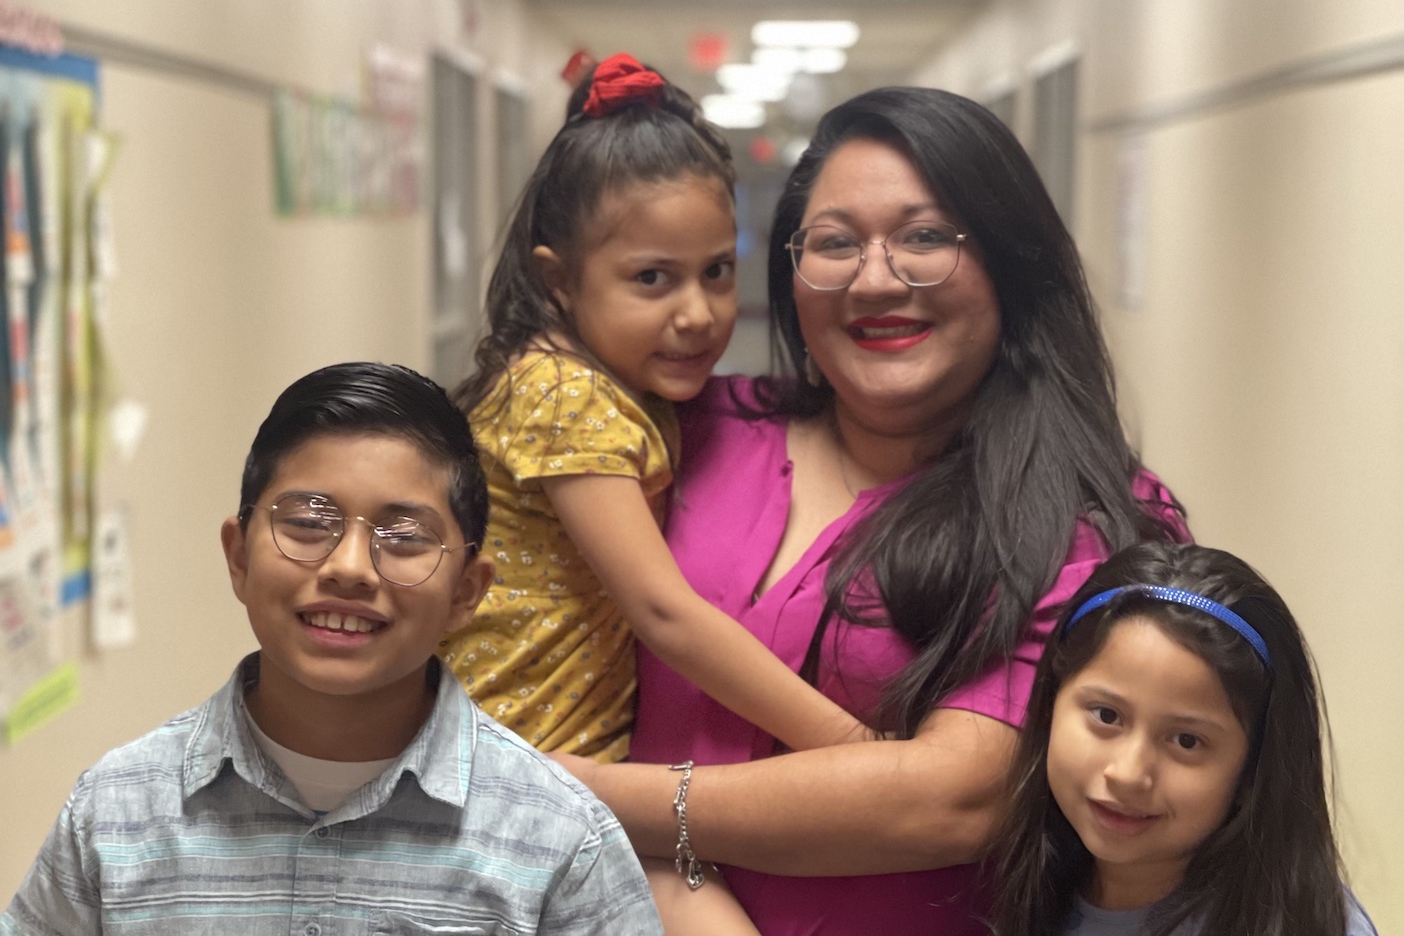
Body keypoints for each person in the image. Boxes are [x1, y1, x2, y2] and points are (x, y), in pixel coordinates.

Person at [551, 86, 1191, 935]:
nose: (876, 280)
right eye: (835, 243)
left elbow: (956, 799)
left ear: (1010, 260)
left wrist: (559, 795)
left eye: (925, 238)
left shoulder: (1093, 519)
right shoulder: (689, 431)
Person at [1, 362, 663, 935]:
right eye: (310, 524)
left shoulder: (560, 840)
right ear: (238, 557)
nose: (350, 567)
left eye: (403, 537)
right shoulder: (114, 815)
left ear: (468, 589)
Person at [437, 52, 864, 771]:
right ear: (560, 279)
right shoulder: (563, 394)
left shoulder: (624, 389)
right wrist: (853, 747)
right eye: (652, 279)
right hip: (512, 775)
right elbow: (665, 614)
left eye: (717, 272)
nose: (697, 314)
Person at [988, 541, 1378, 935]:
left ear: (1252, 768)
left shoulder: (1310, 924)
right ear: (1052, 703)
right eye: (1107, 716)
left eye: (1186, 741)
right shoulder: (1024, 888)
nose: (1128, 773)